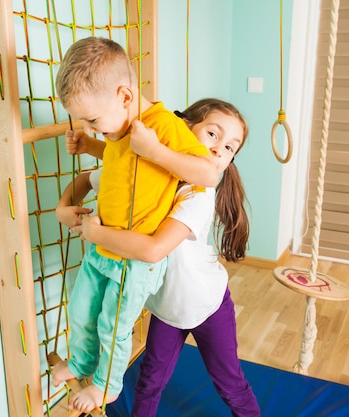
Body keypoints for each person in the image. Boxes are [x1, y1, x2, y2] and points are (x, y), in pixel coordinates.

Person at [49, 36, 219, 413]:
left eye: (93, 120)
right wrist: (90, 146)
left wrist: (156, 150)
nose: (92, 127)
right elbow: (122, 158)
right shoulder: (120, 130)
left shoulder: (162, 126)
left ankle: (106, 386)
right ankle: (79, 364)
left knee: (113, 323)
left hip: (134, 259)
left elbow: (208, 174)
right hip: (101, 247)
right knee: (80, 310)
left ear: (125, 96)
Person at [63, 98, 260, 417]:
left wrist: (96, 233)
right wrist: (87, 152)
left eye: (229, 148)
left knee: (229, 383)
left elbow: (154, 248)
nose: (218, 150)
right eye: (212, 135)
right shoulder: (150, 176)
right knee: (149, 383)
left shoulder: (199, 193)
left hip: (206, 304)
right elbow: (105, 169)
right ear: (183, 129)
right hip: (167, 307)